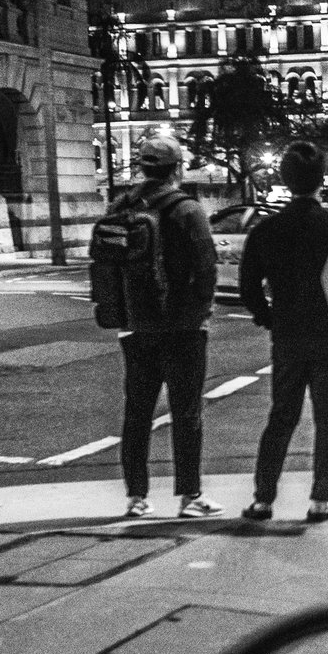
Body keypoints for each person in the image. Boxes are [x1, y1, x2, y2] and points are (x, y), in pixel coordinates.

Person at [238, 141, 328, 523]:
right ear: (321, 181)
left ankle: (263, 498)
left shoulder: (267, 230)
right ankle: (320, 499)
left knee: (281, 416)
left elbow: (248, 287)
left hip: (288, 336)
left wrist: (269, 318)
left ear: (284, 179)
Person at [118, 135, 223, 519]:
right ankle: (190, 496)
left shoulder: (122, 206)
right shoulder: (186, 209)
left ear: (142, 166)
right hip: (182, 326)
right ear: (177, 168)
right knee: (186, 412)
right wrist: (202, 309)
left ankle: (136, 497)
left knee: (137, 413)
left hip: (136, 325)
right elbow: (206, 264)